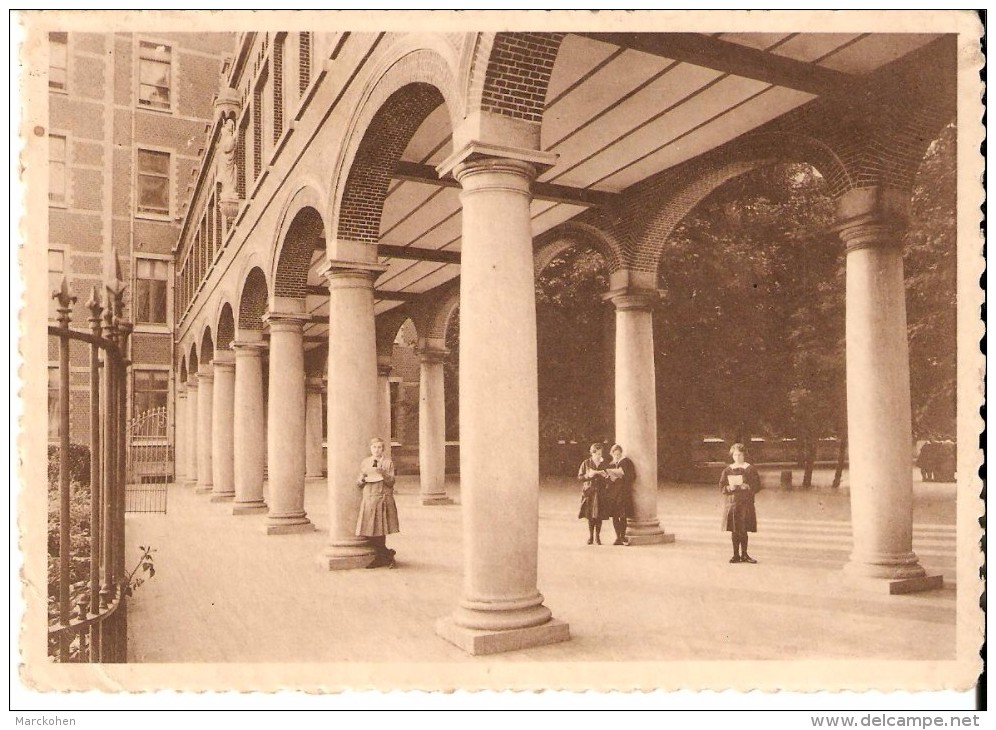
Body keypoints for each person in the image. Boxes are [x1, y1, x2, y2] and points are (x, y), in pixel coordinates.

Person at [355, 437, 399, 568]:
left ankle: (382, 557)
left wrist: (383, 473)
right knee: (370, 529)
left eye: (379, 447)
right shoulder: (366, 462)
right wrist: (362, 479)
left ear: (383, 449)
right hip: (369, 499)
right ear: (371, 449)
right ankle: (386, 554)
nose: (377, 450)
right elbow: (359, 483)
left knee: (381, 529)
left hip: (382, 498)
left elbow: (391, 482)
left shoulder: (387, 463)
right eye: (374, 447)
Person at [720, 442, 760, 564]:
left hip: (746, 504)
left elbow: (757, 486)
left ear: (744, 455)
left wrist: (747, 486)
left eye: (740, 455)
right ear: (732, 456)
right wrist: (728, 488)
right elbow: (721, 486)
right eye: (735, 455)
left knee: (743, 530)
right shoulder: (727, 470)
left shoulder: (750, 469)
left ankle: (745, 554)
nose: (737, 457)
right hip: (732, 504)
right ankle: (735, 555)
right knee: (734, 530)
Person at [577, 443, 609, 545]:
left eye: (600, 454)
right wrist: (589, 475)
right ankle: (591, 536)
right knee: (590, 515)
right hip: (589, 492)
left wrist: (605, 476)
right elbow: (580, 477)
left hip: (600, 492)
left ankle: (598, 537)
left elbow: (609, 477)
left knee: (599, 515)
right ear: (592, 453)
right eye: (597, 454)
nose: (599, 456)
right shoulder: (586, 463)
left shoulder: (604, 464)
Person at [604, 444, 635, 546]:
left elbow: (632, 476)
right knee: (615, 515)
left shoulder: (626, 462)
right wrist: (610, 478)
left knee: (623, 515)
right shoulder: (610, 464)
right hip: (613, 493)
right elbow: (606, 479)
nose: (617, 456)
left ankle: (622, 536)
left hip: (623, 492)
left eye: (618, 454)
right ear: (612, 454)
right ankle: (617, 537)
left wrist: (622, 476)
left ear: (621, 453)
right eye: (615, 454)